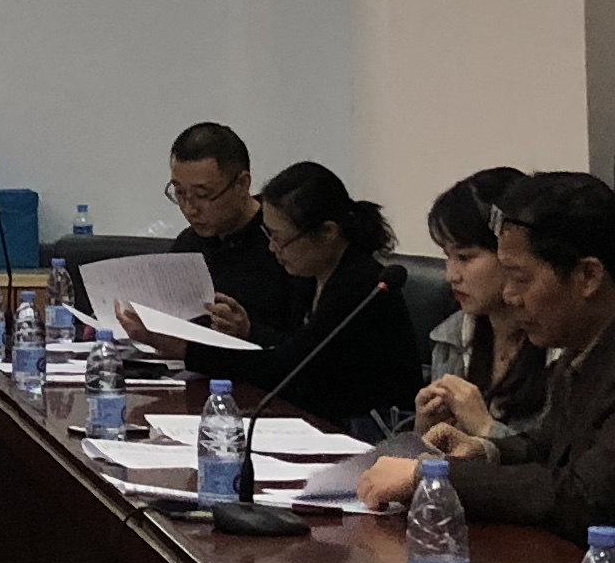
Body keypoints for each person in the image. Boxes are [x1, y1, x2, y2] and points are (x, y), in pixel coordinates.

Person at [356, 171, 615, 536]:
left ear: (588, 276)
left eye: (519, 279)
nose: (510, 296)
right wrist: (486, 450)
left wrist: (431, 476)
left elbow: (585, 499)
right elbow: (546, 447)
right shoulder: (600, 333)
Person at [228, 163, 426, 436]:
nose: (272, 248)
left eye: (280, 239)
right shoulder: (310, 274)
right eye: (268, 234)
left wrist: (190, 353)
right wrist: (250, 331)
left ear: (328, 232)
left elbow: (296, 370)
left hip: (375, 434)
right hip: (325, 423)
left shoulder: (362, 285)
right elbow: (298, 348)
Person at [116, 121, 304, 355]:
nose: (190, 208)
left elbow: (308, 347)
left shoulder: (284, 244)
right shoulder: (189, 244)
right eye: (180, 193)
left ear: (242, 184)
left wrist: (250, 332)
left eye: (202, 195)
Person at [414, 166, 549, 462]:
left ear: (510, 254)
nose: (451, 275)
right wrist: (424, 433)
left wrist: (486, 428)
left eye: (464, 258)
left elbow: (560, 472)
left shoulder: (560, 345)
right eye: (447, 257)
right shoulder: (452, 336)